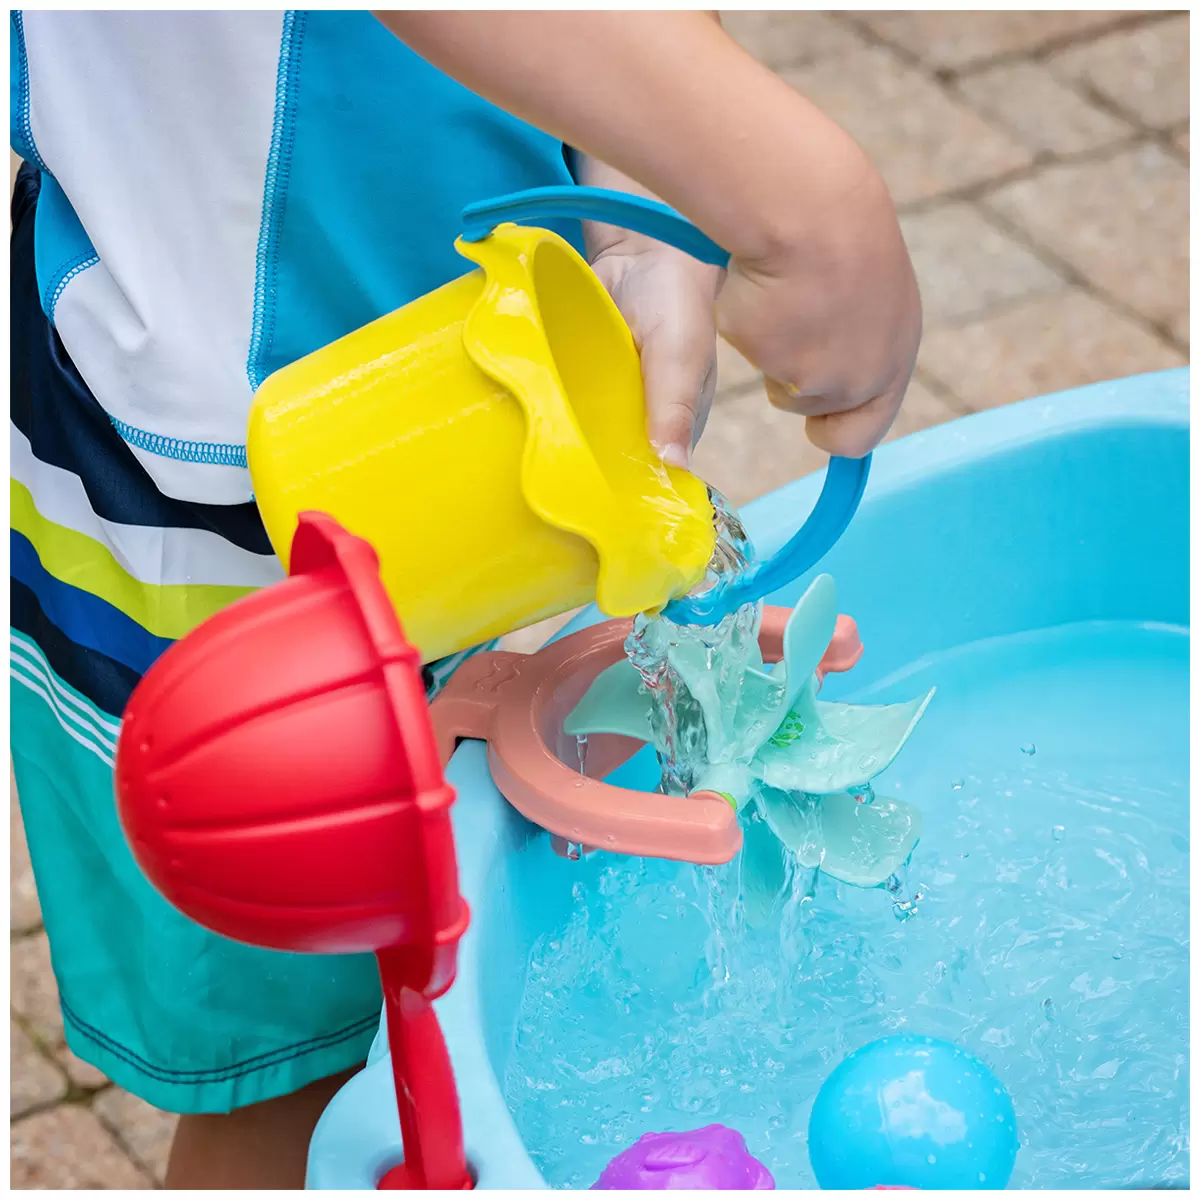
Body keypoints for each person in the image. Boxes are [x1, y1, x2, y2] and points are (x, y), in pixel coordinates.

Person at [9, 9, 920, 1188]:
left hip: (483, 381)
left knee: (440, 1013)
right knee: (306, 1081)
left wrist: (634, 183)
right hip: (236, 480)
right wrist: (795, 191)